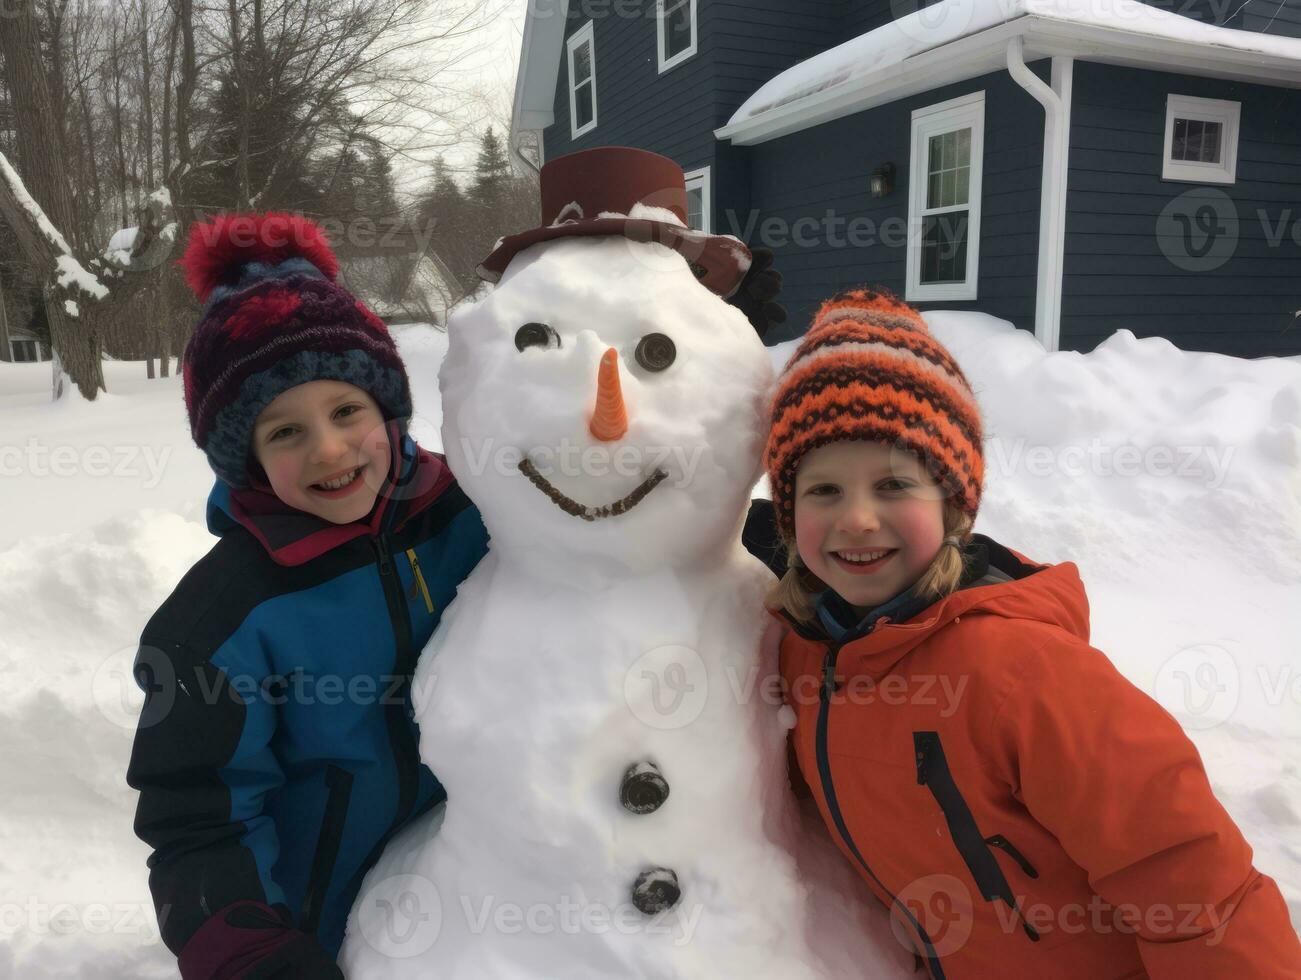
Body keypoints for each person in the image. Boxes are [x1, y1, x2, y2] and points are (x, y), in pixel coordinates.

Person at [761, 286, 1301, 978]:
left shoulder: (1022, 671)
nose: (857, 519)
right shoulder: (806, 652)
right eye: (823, 491)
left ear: (954, 506)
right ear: (785, 519)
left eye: (893, 485)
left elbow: (1191, 879)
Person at [126, 212, 489, 978]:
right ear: (244, 461)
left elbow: (603, 548)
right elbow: (197, 822)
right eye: (283, 433)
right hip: (321, 934)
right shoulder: (219, 627)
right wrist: (258, 956)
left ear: (389, 411)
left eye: (347, 410)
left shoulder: (474, 514)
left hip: (475, 899)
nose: (328, 447)